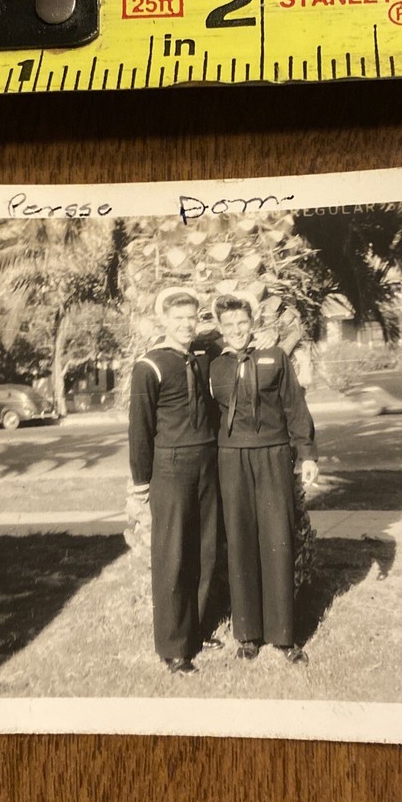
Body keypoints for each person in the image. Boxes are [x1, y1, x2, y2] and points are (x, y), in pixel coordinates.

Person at [208, 293, 319, 665]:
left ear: (253, 323)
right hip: (231, 459)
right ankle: (248, 634)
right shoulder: (214, 365)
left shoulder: (275, 357)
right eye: (229, 325)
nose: (237, 330)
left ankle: (284, 636)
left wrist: (307, 453)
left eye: (242, 323)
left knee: (277, 539)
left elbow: (295, 407)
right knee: (240, 541)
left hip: (272, 454)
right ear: (221, 329)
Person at [128, 287, 223, 675]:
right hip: (171, 467)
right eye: (178, 318)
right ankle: (174, 648)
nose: (186, 325)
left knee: (205, 550)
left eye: (191, 318)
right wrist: (141, 482)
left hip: (207, 462)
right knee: (173, 556)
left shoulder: (201, 358)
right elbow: (140, 429)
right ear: (163, 321)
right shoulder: (149, 366)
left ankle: (195, 630)